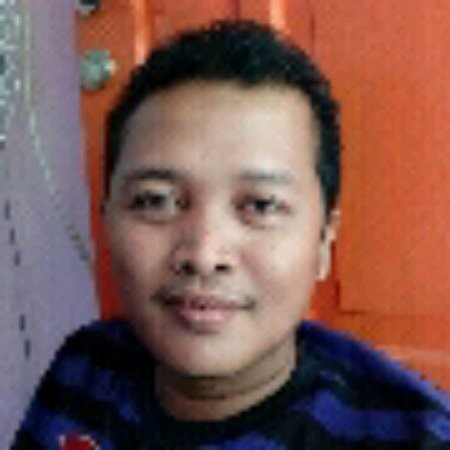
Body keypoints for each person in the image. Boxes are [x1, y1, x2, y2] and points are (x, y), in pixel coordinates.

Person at [12, 20, 450, 449]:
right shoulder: (85, 368)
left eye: (261, 206)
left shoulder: (412, 436)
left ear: (323, 242)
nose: (204, 254)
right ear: (106, 220)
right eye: (156, 201)